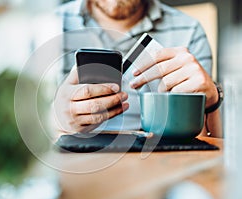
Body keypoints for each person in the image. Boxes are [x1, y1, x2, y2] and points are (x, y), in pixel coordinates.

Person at [53, 0, 222, 137]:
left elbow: (206, 142)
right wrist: (56, 120)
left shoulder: (190, 30)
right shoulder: (50, 23)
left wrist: (210, 103)